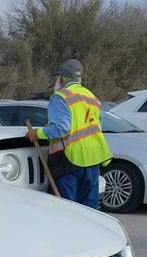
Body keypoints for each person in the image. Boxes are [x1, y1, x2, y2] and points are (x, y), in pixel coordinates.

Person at [25, 59, 112, 209]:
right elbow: (98, 126)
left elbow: (61, 128)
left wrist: (37, 133)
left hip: (70, 160)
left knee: (65, 210)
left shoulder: (61, 96)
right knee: (88, 211)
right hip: (93, 159)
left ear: (61, 78)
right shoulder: (92, 97)